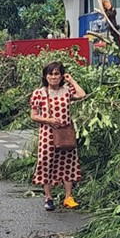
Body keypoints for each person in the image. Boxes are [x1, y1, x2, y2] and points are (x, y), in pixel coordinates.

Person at [29, 61, 87, 211]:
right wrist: (48, 120)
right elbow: (34, 116)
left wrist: (71, 79)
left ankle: (68, 197)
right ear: (45, 76)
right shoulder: (39, 93)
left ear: (61, 76)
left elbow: (82, 95)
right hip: (47, 134)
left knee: (68, 162)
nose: (54, 77)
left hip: (65, 133)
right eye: (51, 74)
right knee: (46, 162)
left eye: (57, 74)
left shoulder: (66, 91)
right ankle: (48, 197)